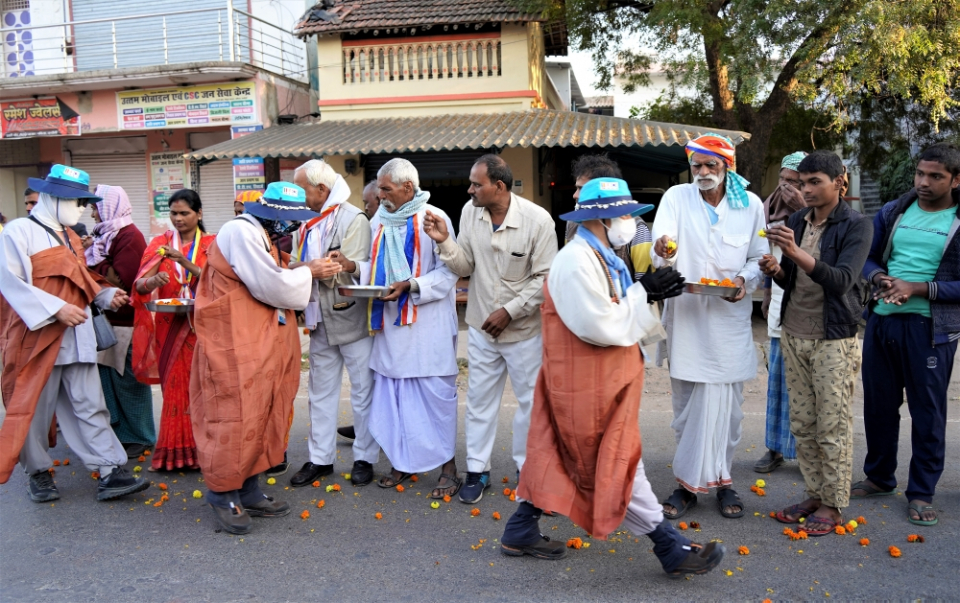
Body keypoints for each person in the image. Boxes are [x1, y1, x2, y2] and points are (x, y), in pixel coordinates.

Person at [500, 177, 725, 577]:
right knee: (617, 463)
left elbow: (614, 304)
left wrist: (647, 291)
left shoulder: (603, 254)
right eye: (623, 215)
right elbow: (598, 323)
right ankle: (669, 545)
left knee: (558, 455)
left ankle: (520, 528)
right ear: (601, 218)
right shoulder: (576, 259)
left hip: (598, 382)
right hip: (587, 386)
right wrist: (644, 294)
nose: (629, 222)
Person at [0, 165, 148, 502]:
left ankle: (110, 470)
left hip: (77, 336)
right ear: (52, 198)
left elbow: (82, 279)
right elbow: (10, 284)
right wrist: (54, 309)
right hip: (38, 339)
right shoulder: (18, 232)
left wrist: (105, 295)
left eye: (83, 201)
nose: (81, 207)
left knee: (91, 405)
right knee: (35, 410)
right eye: (76, 200)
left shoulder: (68, 236)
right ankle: (38, 472)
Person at [190, 181, 326, 535]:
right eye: (291, 220)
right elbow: (273, 285)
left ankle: (248, 487)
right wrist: (310, 271)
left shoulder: (260, 235)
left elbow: (274, 275)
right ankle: (223, 493)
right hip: (234, 342)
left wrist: (300, 268)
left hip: (256, 339)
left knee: (264, 410)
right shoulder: (241, 230)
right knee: (234, 415)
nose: (294, 227)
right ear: (275, 216)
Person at [423, 154, 557, 503]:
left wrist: (509, 312)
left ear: (498, 186)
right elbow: (466, 263)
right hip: (482, 328)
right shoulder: (470, 213)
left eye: (476, 184)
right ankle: (477, 471)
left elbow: (545, 279)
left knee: (530, 404)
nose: (469, 189)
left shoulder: (537, 220)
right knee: (480, 403)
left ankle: (527, 473)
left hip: (524, 331)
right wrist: (444, 242)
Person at [652, 133, 766, 520]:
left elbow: (759, 257)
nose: (702, 173)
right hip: (686, 317)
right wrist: (664, 248)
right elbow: (661, 243)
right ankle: (686, 485)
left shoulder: (749, 204)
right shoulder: (676, 198)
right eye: (696, 166)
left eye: (710, 166)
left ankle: (722, 480)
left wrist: (743, 281)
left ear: (727, 167)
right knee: (686, 409)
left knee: (729, 412)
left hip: (730, 322)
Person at [759, 151, 872, 536]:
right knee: (803, 424)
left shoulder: (856, 226)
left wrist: (794, 252)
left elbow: (841, 281)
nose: (804, 190)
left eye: (813, 182)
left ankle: (833, 503)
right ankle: (813, 493)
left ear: (839, 181)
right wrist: (777, 269)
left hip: (833, 338)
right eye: (800, 183)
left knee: (832, 425)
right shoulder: (796, 221)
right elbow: (791, 280)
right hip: (793, 332)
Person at [337, 158, 461, 498]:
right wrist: (353, 266)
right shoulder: (380, 219)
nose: (380, 194)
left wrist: (412, 284)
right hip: (391, 326)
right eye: (379, 188)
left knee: (435, 399)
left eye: (386, 188)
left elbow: (449, 273)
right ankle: (402, 463)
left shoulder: (434, 217)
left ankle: (447, 468)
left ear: (408, 187)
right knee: (395, 399)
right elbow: (375, 267)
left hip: (427, 327)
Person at [856, 142, 960, 527]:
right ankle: (879, 477)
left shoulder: (957, 219)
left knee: (927, 413)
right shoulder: (895, 210)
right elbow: (866, 255)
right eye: (921, 174)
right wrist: (880, 278)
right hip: (882, 321)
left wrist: (917, 288)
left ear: (955, 179)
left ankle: (921, 492)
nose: (924, 182)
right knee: (879, 406)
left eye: (935, 176)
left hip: (930, 330)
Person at [290, 159, 378, 488]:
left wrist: (320, 268)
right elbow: (296, 263)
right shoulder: (306, 222)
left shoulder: (353, 218)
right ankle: (320, 459)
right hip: (319, 318)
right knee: (320, 393)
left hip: (351, 317)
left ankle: (364, 458)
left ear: (322, 190)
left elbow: (354, 267)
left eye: (303, 190)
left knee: (363, 392)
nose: (299, 197)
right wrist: (308, 268)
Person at [132, 189, 215, 472]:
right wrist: (153, 280)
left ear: (199, 214)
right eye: (173, 213)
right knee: (174, 389)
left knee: (202, 389)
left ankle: (203, 452)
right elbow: (139, 287)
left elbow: (217, 280)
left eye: (184, 213)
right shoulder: (159, 243)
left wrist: (183, 262)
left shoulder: (212, 245)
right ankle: (174, 455)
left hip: (202, 327)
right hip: (168, 326)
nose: (178, 219)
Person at [85, 184, 154, 459]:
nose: (93, 215)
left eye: (95, 208)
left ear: (109, 206)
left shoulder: (129, 236)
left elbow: (121, 281)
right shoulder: (105, 236)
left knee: (128, 381)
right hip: (107, 319)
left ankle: (141, 435)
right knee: (109, 380)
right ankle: (120, 432)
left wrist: (92, 265)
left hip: (126, 320)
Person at [755, 152, 806, 473]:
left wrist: (801, 212)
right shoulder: (767, 213)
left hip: (809, 312)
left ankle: (806, 453)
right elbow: (765, 256)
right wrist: (767, 290)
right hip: (778, 307)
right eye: (784, 181)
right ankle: (774, 448)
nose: (787, 188)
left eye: (796, 182)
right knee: (777, 383)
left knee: (805, 387)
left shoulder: (815, 216)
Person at [564, 156, 654, 281]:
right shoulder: (572, 225)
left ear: (601, 191)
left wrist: (645, 292)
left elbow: (644, 282)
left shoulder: (637, 229)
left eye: (582, 189)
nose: (575, 195)